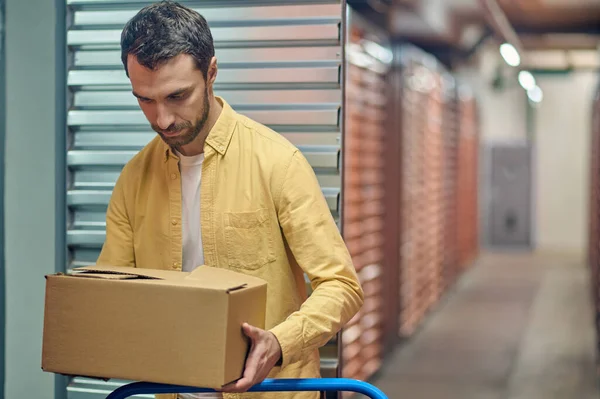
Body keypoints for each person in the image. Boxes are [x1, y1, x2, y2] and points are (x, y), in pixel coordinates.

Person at [96, 2, 364, 399]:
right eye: (145, 100)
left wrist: (279, 341)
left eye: (177, 96)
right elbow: (113, 294)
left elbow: (342, 286)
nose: (163, 119)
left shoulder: (277, 161)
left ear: (212, 73)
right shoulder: (133, 180)